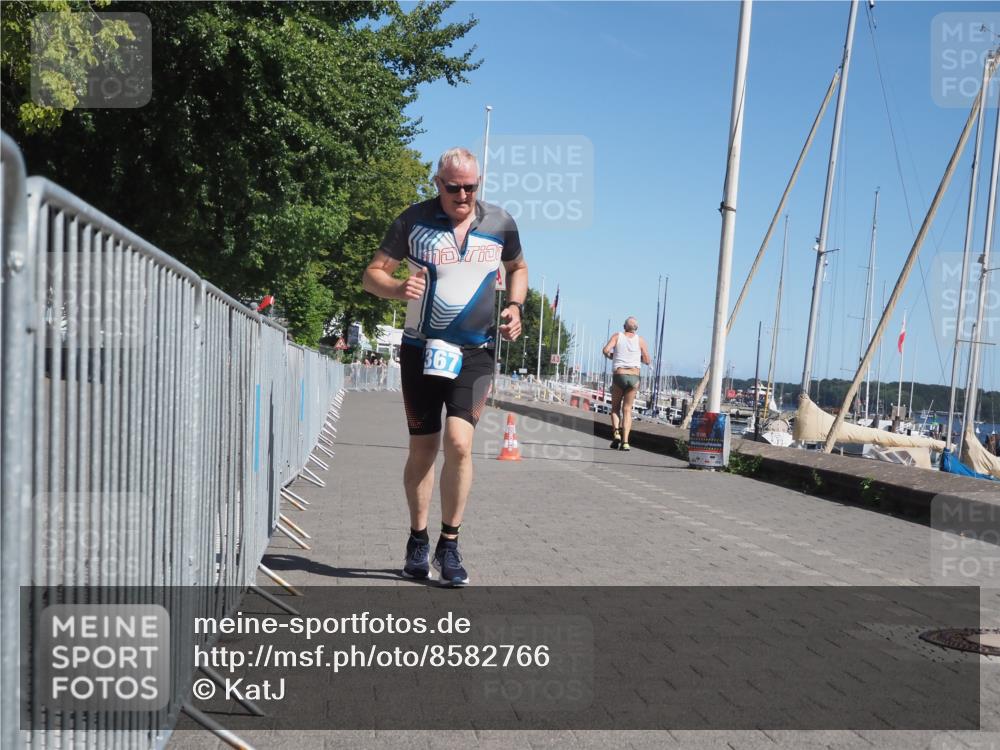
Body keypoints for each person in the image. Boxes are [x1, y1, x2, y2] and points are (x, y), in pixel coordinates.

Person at [362, 147, 528, 586]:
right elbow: (371, 275)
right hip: (421, 349)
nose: (462, 195)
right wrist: (398, 288)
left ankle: (449, 544)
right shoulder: (411, 221)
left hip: (475, 352)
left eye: (470, 187)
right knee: (424, 447)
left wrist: (515, 305)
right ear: (438, 183)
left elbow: (519, 267)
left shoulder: (500, 223)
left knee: (459, 442)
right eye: (453, 187)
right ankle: (418, 539)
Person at [602, 317, 651, 451]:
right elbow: (647, 360)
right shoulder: (640, 340)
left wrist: (612, 356)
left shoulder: (617, 336)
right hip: (634, 377)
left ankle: (616, 433)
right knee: (627, 410)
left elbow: (605, 350)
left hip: (619, 375)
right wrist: (637, 358)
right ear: (636, 328)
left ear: (624, 326)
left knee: (615, 408)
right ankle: (625, 442)